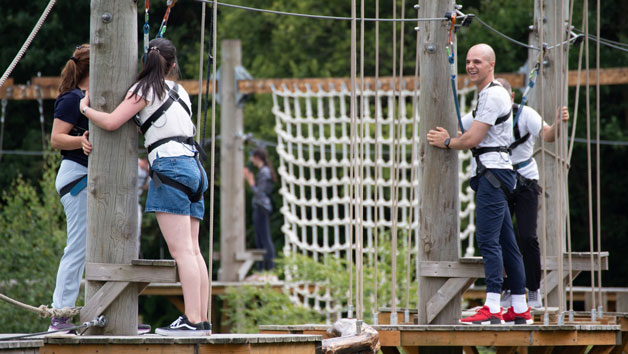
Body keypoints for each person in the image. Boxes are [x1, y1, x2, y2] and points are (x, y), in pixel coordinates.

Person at [80, 38, 210, 336]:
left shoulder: (142, 90)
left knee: (183, 253)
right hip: (194, 167)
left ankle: (192, 320)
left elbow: (112, 122)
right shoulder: (180, 91)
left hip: (170, 168)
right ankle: (201, 319)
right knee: (194, 251)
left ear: (144, 63)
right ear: (172, 65)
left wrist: (85, 109)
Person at [426, 43, 531, 325]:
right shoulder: (489, 95)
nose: (471, 66)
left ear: (491, 65)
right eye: (469, 61)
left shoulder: (493, 95)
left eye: (477, 62)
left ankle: (493, 306)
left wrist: (447, 142)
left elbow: (471, 140)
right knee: (507, 243)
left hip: (493, 175)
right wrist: (455, 135)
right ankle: (519, 308)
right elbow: (471, 130)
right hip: (499, 173)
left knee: (487, 240)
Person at [495, 78, 570, 309]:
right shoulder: (486, 114)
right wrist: (448, 138)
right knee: (501, 236)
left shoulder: (526, 114)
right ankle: (509, 286)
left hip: (526, 179)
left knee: (528, 235)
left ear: (511, 98)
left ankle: (533, 289)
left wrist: (557, 124)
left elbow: (547, 135)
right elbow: (465, 131)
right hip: (500, 179)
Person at [49, 44, 92, 333]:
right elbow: (56, 138)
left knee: (96, 247)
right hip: (77, 177)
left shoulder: (88, 98)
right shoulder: (72, 98)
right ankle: (60, 315)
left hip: (86, 178)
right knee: (77, 248)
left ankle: (110, 310)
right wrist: (82, 141)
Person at [243, 148, 277, 271]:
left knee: (264, 238)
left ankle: (269, 268)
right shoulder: (264, 171)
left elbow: (259, 193)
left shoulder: (264, 172)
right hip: (260, 207)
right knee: (259, 238)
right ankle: (262, 268)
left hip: (262, 207)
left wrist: (251, 182)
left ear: (257, 157)